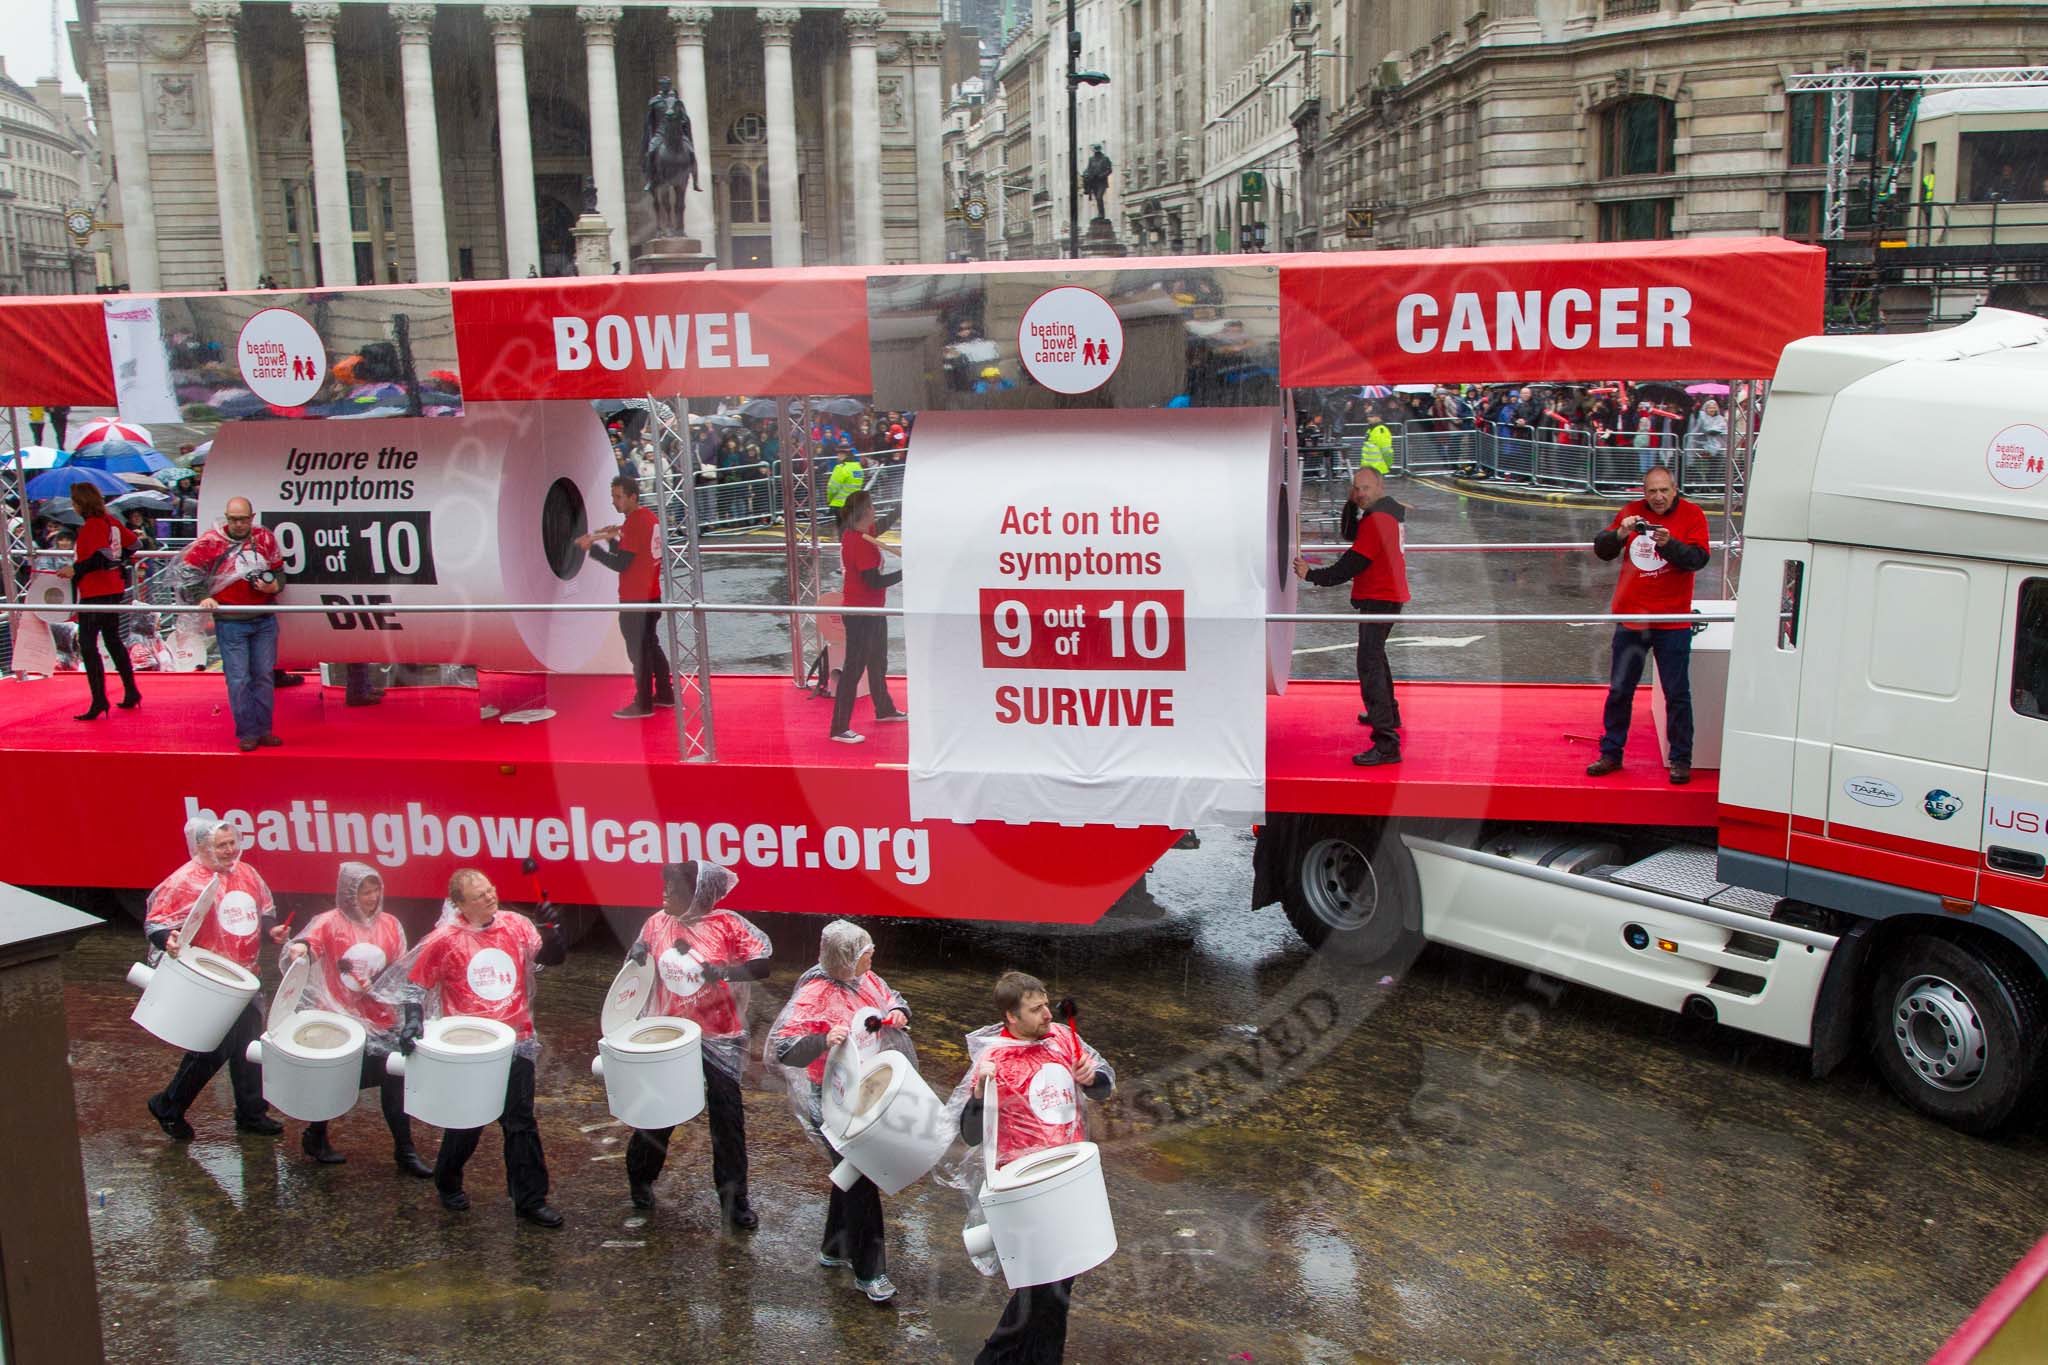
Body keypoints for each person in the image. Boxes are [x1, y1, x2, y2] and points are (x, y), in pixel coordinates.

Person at [383, 868, 568, 1227]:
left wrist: (553, 931)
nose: (489, 897)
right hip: (471, 1049)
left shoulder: (515, 925)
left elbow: (552, 958)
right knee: (467, 1122)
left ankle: (530, 1199)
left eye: (491, 889)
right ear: (460, 905)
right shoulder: (445, 939)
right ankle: (447, 1177)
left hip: (516, 1042)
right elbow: (413, 986)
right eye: (479, 895)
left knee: (520, 1123)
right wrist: (412, 1021)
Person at [954, 972, 1115, 1365]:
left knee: (1058, 1287)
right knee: (1042, 1291)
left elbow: (1104, 1087)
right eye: (1036, 1009)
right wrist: (978, 1094)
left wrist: (1093, 1078)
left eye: (1047, 1004)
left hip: (1068, 1181)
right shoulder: (995, 1059)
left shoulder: (1062, 1037)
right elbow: (970, 1134)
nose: (1047, 1014)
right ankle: (993, 1358)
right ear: (1012, 1016)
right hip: (1026, 1191)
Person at [620, 859, 772, 1229]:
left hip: (719, 1036)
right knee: (658, 1112)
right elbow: (637, 962)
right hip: (670, 1036)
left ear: (694, 896)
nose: (664, 895)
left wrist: (726, 972)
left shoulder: (727, 925)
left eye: (671, 891)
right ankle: (640, 1178)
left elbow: (762, 964)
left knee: (727, 1120)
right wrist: (637, 953)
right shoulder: (657, 923)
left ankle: (735, 1201)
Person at [767, 920, 913, 1304]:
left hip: (869, 1089)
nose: (873, 955)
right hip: (832, 1097)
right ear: (847, 957)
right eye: (866, 951)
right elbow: (783, 1048)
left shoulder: (867, 980)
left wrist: (897, 1012)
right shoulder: (815, 994)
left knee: (850, 1171)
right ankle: (871, 1271)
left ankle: (834, 1247)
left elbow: (892, 997)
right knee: (862, 1176)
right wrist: (821, 1040)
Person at [143, 817, 288, 1141]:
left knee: (248, 1047)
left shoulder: (246, 873)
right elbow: (156, 921)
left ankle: (251, 1112)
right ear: (202, 847)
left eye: (232, 842)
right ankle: (168, 1104)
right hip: (211, 983)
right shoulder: (186, 880)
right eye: (221, 845)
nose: (230, 850)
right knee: (213, 1048)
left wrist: (270, 930)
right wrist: (166, 938)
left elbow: (262, 910)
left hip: (247, 977)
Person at [282, 862, 433, 1175]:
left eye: (375, 889)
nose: (371, 897)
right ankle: (316, 1134)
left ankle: (405, 1151)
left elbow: (400, 972)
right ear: (348, 894)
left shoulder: (390, 925)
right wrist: (300, 948)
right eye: (364, 891)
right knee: (335, 1078)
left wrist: (405, 1013)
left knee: (395, 1077)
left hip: (380, 1020)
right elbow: (310, 945)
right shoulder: (328, 923)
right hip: (339, 1017)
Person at [1586, 465, 1711, 785]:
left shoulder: (1693, 515)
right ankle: (1611, 752)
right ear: (1644, 492)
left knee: (1677, 693)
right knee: (1619, 691)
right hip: (1632, 619)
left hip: (1673, 620)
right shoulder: (1630, 511)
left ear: (1675, 489)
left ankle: (1681, 758)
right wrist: (1620, 533)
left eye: (1664, 491)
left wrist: (1668, 544)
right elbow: (1602, 550)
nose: (1657, 498)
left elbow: (1697, 560)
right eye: (1652, 491)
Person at [1294, 467, 1410, 766]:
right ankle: (1389, 714)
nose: (1360, 494)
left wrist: (1312, 575)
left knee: (1369, 664)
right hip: (1387, 596)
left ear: (1379, 486)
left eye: (1366, 488)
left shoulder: (1377, 521)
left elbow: (1350, 564)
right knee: (1377, 657)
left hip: (1380, 598)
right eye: (1356, 489)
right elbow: (1351, 534)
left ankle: (1386, 743)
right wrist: (1353, 503)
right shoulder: (1387, 513)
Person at [177, 496, 286, 751]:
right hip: (230, 621)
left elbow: (279, 571)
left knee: (263, 676)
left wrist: (274, 585)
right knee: (238, 678)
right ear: (227, 519)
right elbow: (189, 572)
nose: (238, 525)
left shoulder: (265, 539)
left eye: (243, 519)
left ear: (252, 517)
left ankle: (264, 729)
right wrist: (203, 596)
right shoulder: (211, 542)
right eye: (234, 520)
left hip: (263, 617)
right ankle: (248, 731)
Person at [578, 475, 674, 719]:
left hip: (635, 599)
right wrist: (612, 542)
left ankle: (643, 704)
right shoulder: (649, 518)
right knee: (651, 645)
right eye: (613, 496)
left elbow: (622, 564)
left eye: (618, 497)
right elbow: (631, 554)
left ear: (633, 496)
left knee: (639, 652)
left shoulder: (634, 523)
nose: (614, 502)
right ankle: (664, 694)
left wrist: (594, 550)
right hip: (651, 595)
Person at [830, 489, 907, 744]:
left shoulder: (864, 532)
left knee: (877, 661)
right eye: (872, 506)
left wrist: (903, 503)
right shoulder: (858, 542)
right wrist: (907, 572)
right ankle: (839, 727)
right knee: (854, 668)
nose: (876, 510)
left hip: (873, 610)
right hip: (860, 612)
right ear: (864, 512)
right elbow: (873, 581)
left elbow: (884, 523)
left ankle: (884, 708)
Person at [63, 481, 141, 720]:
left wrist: (74, 569)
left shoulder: (92, 526)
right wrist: (119, 561)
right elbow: (134, 544)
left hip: (95, 591)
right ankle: (130, 691)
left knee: (88, 645)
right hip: (114, 588)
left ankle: (99, 699)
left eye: (74, 502)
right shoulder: (111, 522)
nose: (72, 506)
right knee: (113, 640)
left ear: (80, 504)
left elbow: (97, 558)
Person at [826, 442, 867, 527]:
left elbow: (832, 488)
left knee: (843, 533)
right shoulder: (858, 468)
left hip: (840, 505)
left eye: (839, 454)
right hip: (854, 505)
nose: (838, 456)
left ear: (845, 454)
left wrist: (829, 500)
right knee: (852, 531)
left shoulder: (840, 468)